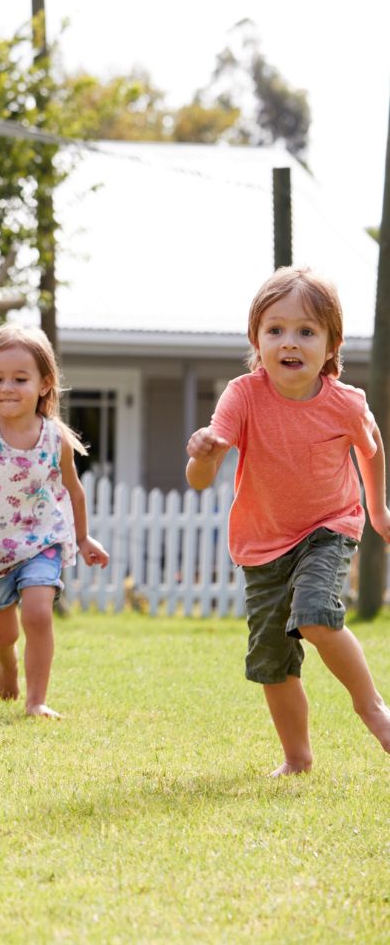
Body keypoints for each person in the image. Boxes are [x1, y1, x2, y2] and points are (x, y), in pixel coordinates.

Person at [186, 266, 390, 776]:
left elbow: (371, 448)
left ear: (331, 343)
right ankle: (297, 758)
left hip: (329, 525)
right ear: (256, 339)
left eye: (306, 331)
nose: (289, 342)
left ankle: (374, 709)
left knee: (317, 615)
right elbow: (199, 479)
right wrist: (204, 455)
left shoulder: (345, 402)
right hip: (262, 544)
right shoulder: (243, 394)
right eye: (274, 330)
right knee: (271, 659)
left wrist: (377, 508)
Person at [0, 324, 109, 717]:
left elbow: (74, 491)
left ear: (44, 383)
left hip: (41, 541)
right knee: (3, 633)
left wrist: (84, 539)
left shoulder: (56, 438)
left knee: (38, 614)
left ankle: (37, 701)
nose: (7, 387)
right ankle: (7, 663)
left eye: (20, 379)